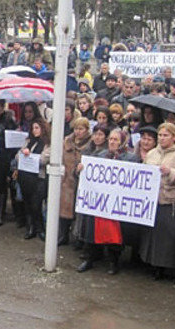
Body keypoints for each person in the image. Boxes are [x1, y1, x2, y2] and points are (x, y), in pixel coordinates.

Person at [77, 129, 138, 274]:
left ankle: (114, 261)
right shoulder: (100, 155)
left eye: (116, 139)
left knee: (114, 233)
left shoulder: (131, 158)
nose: (112, 142)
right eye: (110, 139)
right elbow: (87, 175)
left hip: (116, 204)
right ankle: (90, 259)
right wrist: (79, 170)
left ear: (122, 141)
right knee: (93, 230)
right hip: (99, 203)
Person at [142, 123, 175, 282]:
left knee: (172, 238)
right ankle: (158, 267)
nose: (162, 138)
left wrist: (170, 172)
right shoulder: (151, 153)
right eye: (160, 135)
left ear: (173, 136)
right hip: (154, 200)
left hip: (172, 200)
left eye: (165, 135)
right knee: (156, 236)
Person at [13, 118, 50, 239]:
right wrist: (23, 153)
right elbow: (18, 155)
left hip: (38, 177)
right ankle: (31, 227)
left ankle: (40, 228)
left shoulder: (47, 143)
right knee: (27, 203)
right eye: (33, 128)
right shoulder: (28, 140)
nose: (34, 131)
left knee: (37, 203)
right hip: (25, 176)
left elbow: (44, 159)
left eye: (37, 128)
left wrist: (30, 156)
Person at [59, 117, 92, 245]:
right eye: (76, 129)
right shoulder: (67, 141)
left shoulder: (91, 143)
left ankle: (79, 238)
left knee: (80, 212)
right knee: (64, 210)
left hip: (82, 183)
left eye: (81, 129)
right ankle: (63, 235)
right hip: (67, 181)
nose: (78, 132)